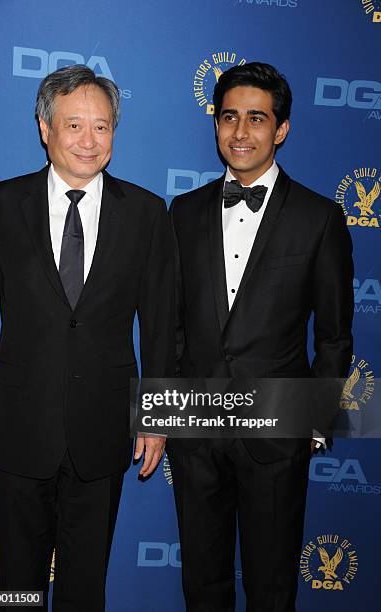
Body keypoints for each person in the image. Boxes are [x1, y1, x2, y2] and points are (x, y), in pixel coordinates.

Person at [0, 64, 174, 611]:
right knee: (16, 584)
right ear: (45, 128)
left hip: (103, 426)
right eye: (74, 125)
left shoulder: (148, 213)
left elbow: (160, 324)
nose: (89, 141)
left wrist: (156, 417)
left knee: (86, 586)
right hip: (17, 423)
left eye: (102, 127)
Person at [167, 62, 354, 612]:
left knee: (272, 588)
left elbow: (335, 334)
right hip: (196, 427)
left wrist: (313, 423)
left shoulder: (320, 218)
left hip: (277, 430)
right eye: (229, 118)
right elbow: (171, 322)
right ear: (216, 124)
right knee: (202, 583)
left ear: (282, 129)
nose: (241, 132)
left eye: (256, 118)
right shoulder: (184, 210)